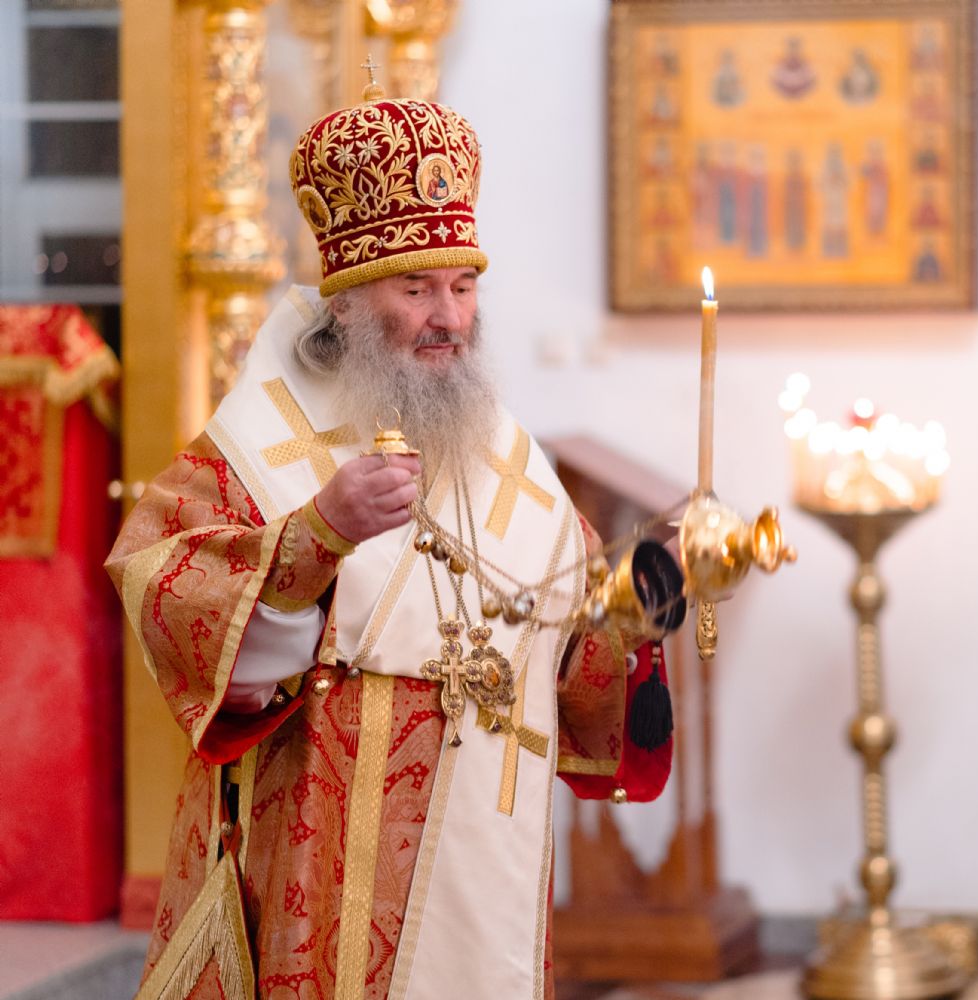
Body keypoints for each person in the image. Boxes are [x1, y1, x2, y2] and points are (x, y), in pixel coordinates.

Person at [107, 82, 676, 998]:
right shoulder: (262, 440)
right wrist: (317, 535)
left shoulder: (504, 454)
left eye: (462, 287)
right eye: (416, 289)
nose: (448, 316)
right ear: (347, 302)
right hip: (327, 833)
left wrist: (647, 601)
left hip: (485, 840)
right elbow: (163, 584)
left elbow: (570, 649)